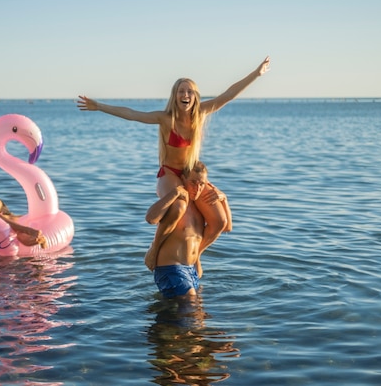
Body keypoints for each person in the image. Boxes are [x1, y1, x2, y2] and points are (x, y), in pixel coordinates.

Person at [78, 56, 269, 269]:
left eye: (189, 91)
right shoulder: (166, 118)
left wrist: (256, 73)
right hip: (169, 174)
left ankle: (196, 255)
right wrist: (99, 106)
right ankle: (154, 249)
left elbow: (229, 94)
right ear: (175, 96)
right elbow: (132, 114)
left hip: (191, 175)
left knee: (220, 221)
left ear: (195, 96)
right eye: (181, 91)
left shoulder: (202, 113)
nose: (185, 95)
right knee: (178, 206)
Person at [145, 161, 232, 298]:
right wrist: (174, 193)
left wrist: (224, 199)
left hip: (191, 270)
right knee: (191, 309)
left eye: (201, 184)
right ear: (183, 179)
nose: (197, 188)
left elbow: (226, 227)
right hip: (171, 268)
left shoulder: (199, 210)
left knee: (197, 316)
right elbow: (151, 218)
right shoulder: (179, 204)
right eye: (193, 182)